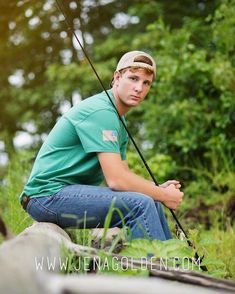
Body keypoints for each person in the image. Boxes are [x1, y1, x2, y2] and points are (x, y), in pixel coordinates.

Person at [20, 51, 184, 241]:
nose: (139, 87)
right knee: (141, 204)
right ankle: (156, 269)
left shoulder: (118, 120)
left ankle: (172, 264)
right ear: (117, 77)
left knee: (152, 201)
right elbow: (117, 180)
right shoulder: (101, 112)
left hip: (61, 195)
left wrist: (156, 189)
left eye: (146, 82)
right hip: (45, 197)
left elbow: (125, 178)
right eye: (133, 78)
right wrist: (163, 194)